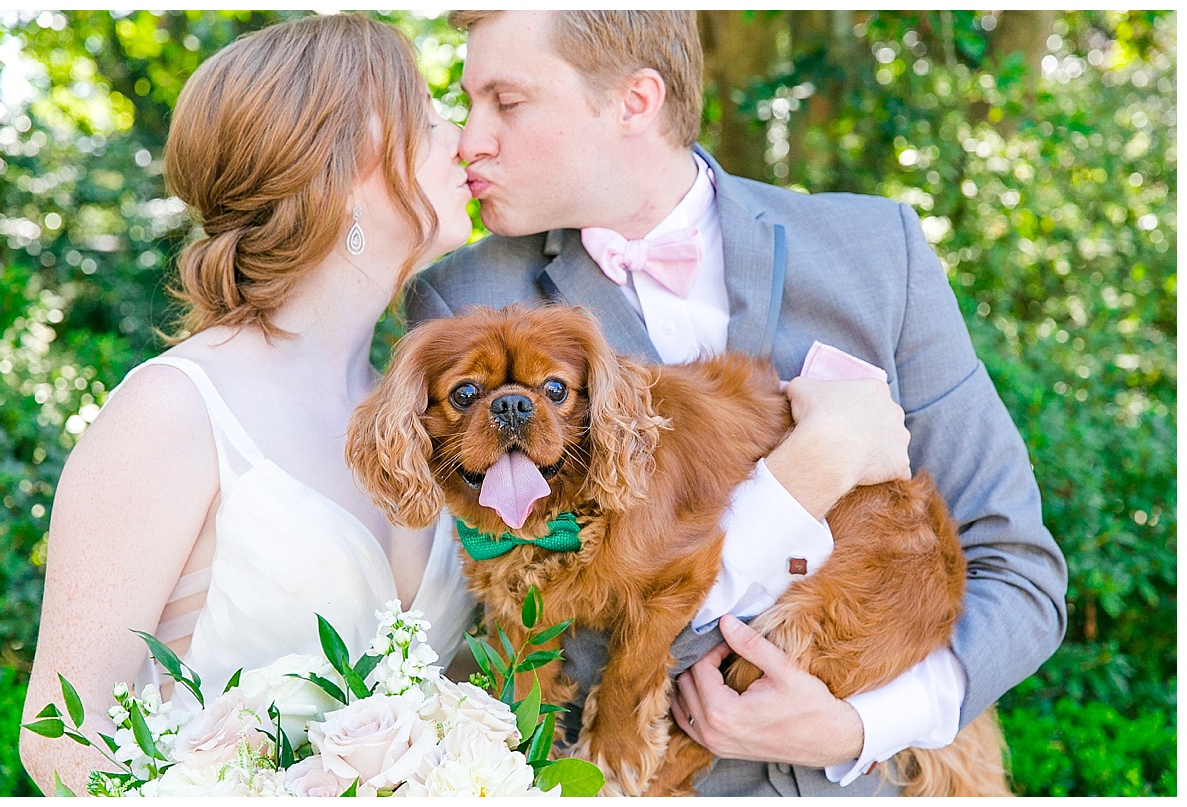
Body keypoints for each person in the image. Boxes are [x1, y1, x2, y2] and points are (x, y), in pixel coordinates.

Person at [405, 10, 1068, 797]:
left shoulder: (876, 251)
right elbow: (529, 621)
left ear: (634, 100)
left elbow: (1018, 567)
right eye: (467, 101)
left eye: (506, 103)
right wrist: (798, 481)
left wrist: (862, 724)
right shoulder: (465, 304)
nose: (469, 138)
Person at [19, 13, 477, 795]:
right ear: (356, 164)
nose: (462, 140)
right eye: (432, 121)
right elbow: (60, 741)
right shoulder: (174, 411)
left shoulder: (427, 420)